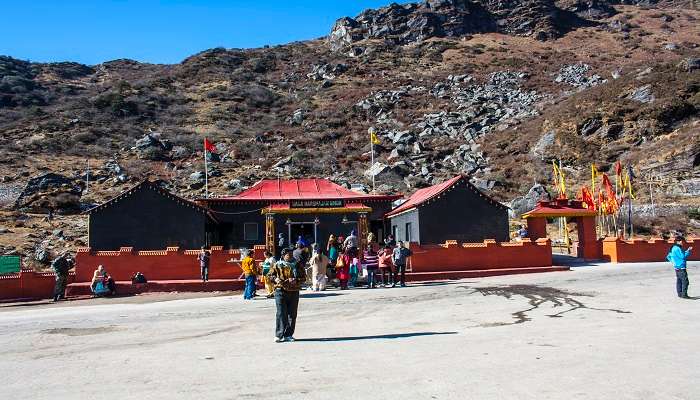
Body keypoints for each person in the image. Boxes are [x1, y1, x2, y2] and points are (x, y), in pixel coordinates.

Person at [267, 248, 307, 342]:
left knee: (292, 314)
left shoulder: (297, 265)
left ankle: (288, 335)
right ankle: (279, 335)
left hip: (294, 291)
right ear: (283, 255)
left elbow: (304, 277)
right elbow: (269, 275)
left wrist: (296, 280)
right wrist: (275, 279)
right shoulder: (277, 265)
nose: (290, 256)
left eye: (291, 254)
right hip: (280, 291)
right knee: (281, 313)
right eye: (288, 254)